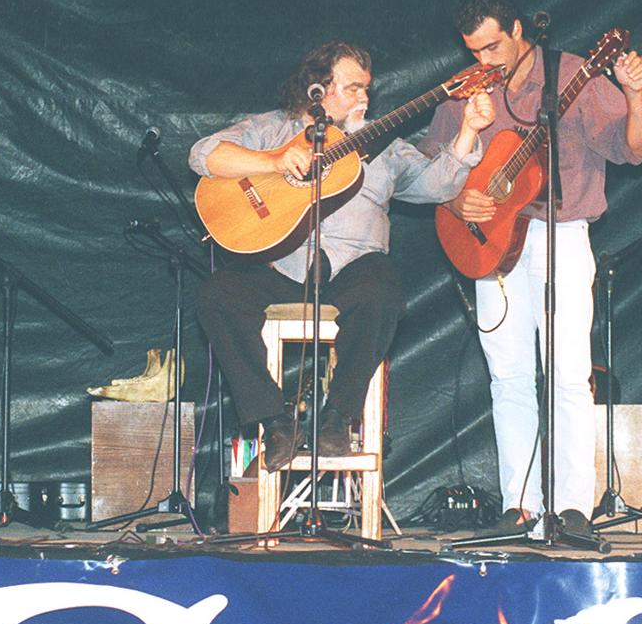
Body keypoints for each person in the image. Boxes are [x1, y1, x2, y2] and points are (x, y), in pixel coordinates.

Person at [192, 40, 493, 468]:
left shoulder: (383, 144)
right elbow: (203, 154)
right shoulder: (273, 128)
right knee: (218, 296)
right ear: (319, 89)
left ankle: (336, 419)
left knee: (382, 295)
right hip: (283, 264)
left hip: (356, 267)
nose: (364, 98)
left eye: (367, 89)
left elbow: (438, 186)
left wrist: (468, 132)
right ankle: (274, 423)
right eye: (353, 88)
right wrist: (274, 161)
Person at [420, 0, 642, 536]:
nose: (486, 61)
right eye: (475, 51)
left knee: (569, 374)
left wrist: (636, 95)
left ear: (520, 30)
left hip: (562, 234)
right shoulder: (472, 87)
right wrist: (455, 200)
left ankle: (573, 507)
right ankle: (518, 505)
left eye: (494, 46)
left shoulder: (573, 74)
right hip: (490, 243)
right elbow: (429, 165)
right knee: (508, 376)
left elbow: (635, 149)